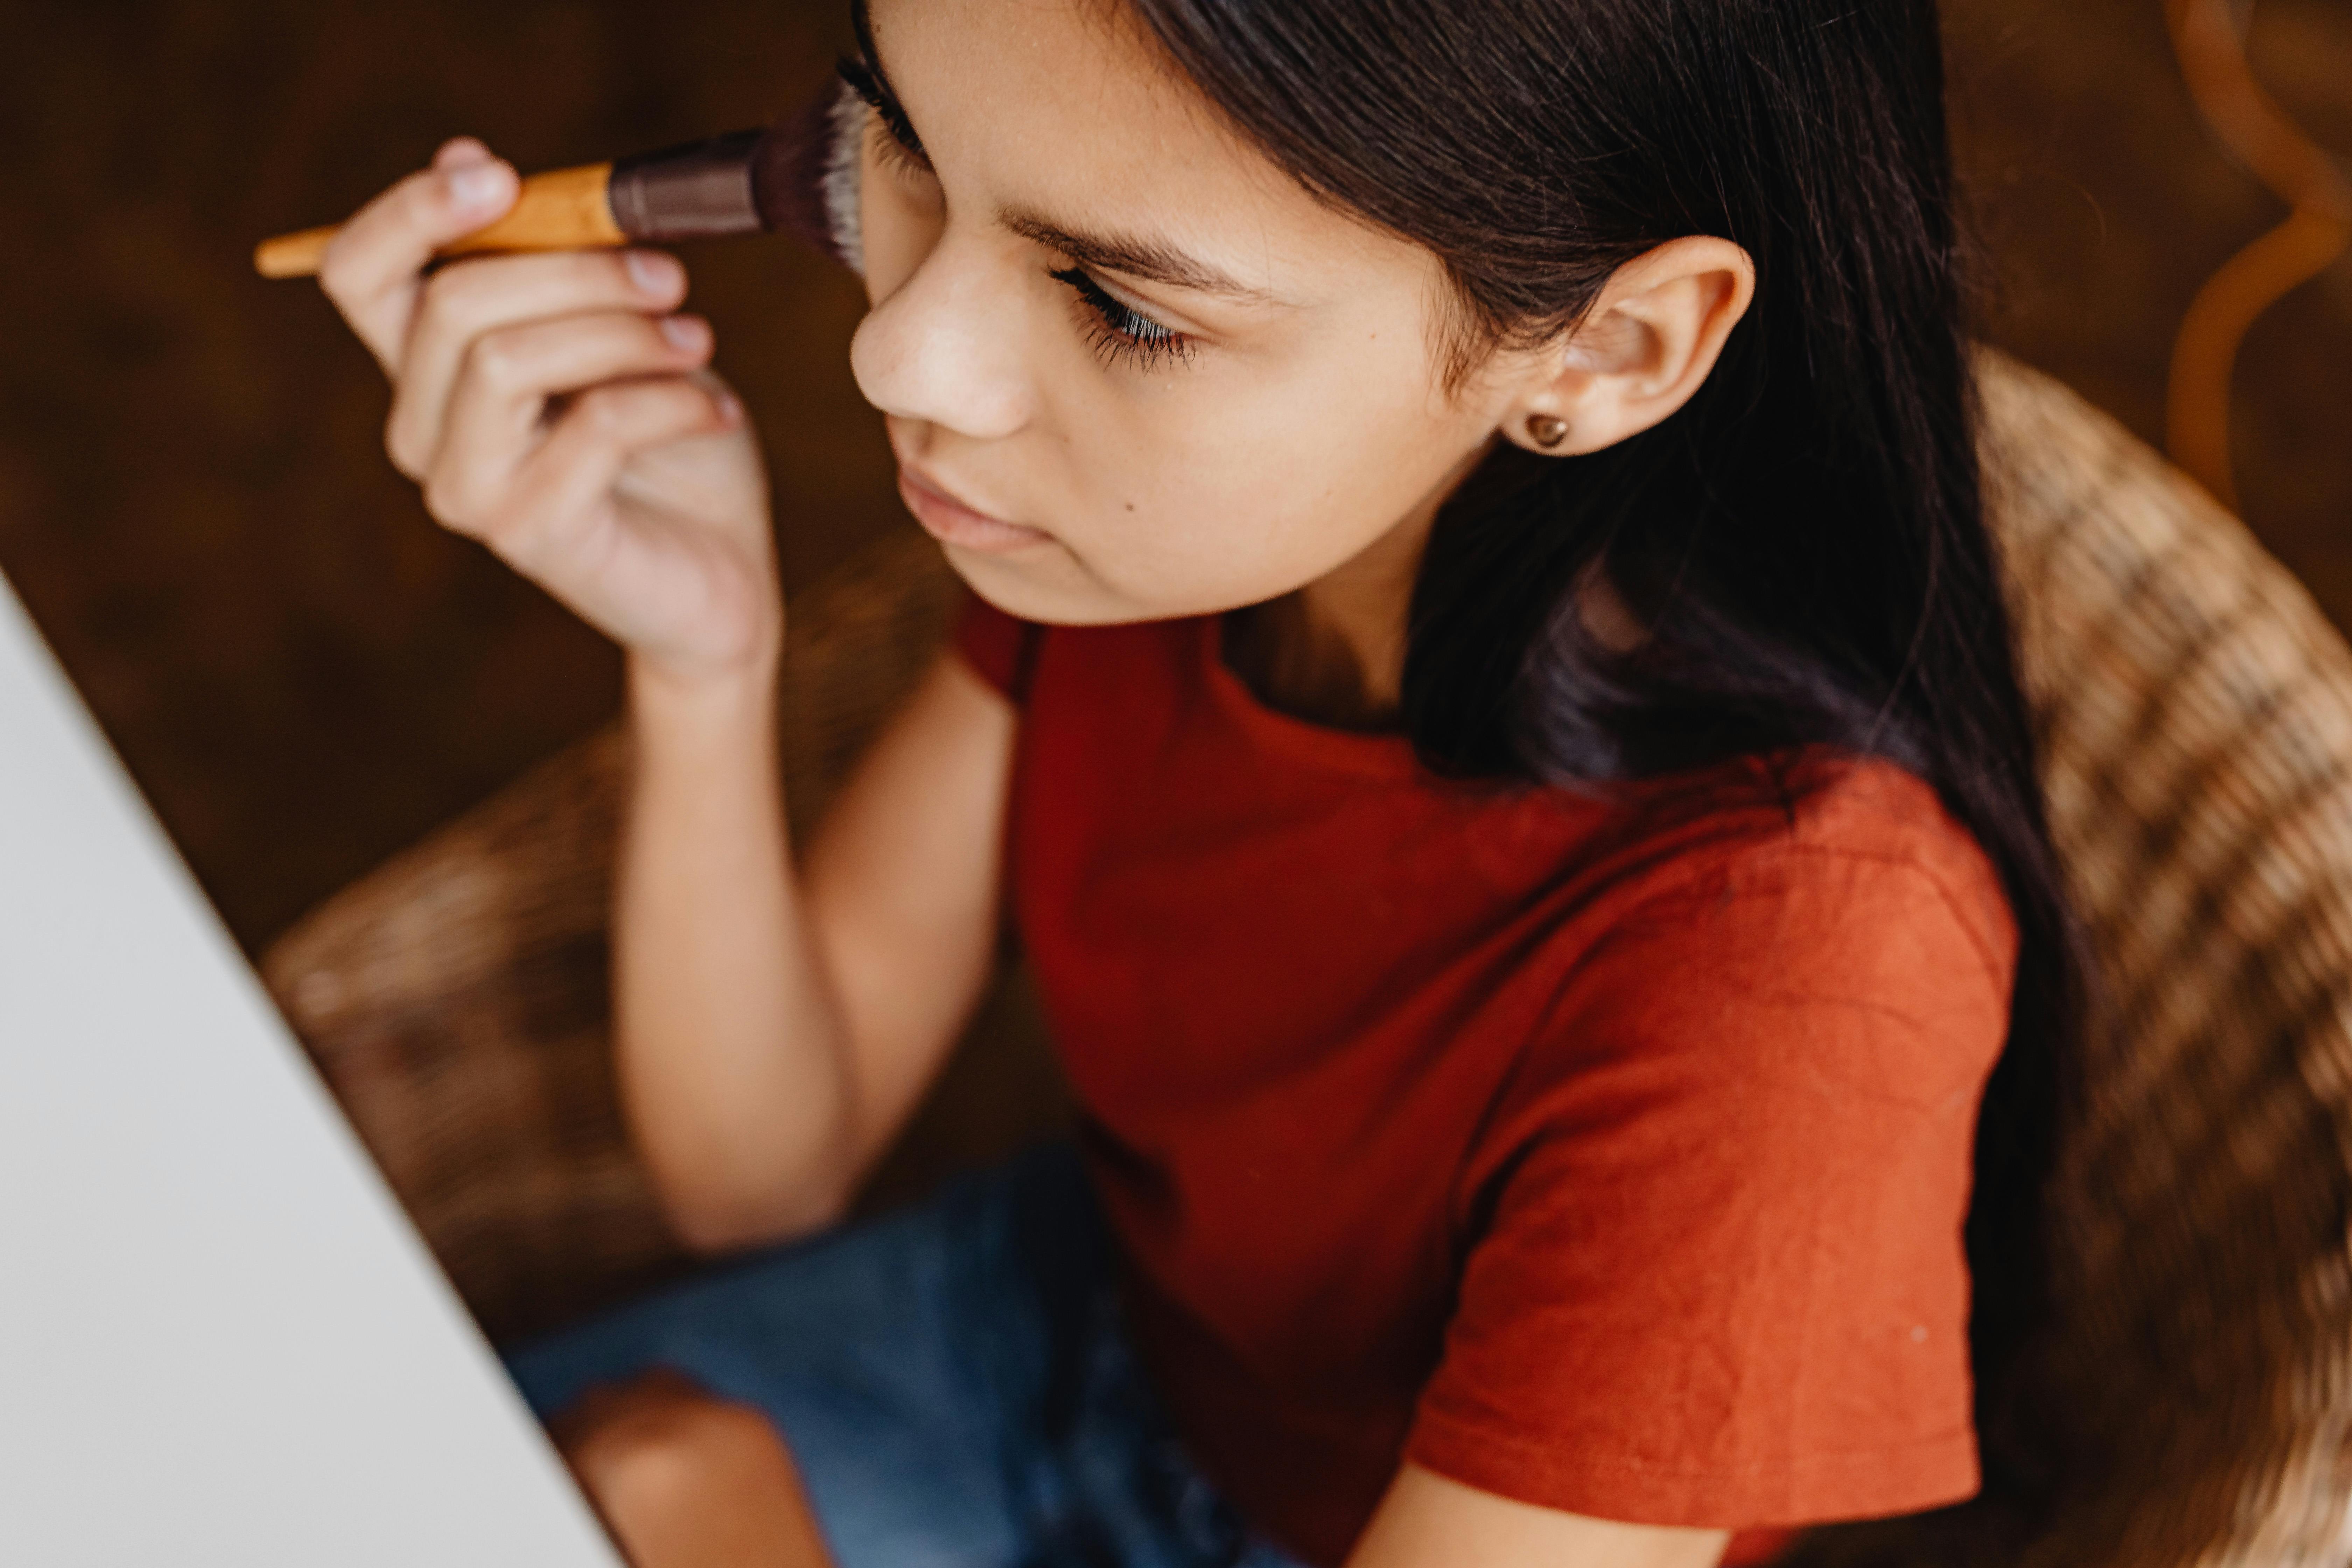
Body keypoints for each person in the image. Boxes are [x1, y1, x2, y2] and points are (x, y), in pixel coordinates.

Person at [310, 1, 2081, 1564]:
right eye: (913, 147)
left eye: (1118, 302)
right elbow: (766, 1165)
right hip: (1078, 1318)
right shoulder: (1155, 550)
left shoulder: (1800, 982)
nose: (896, 356)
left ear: (1605, 352)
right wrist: (707, 661)